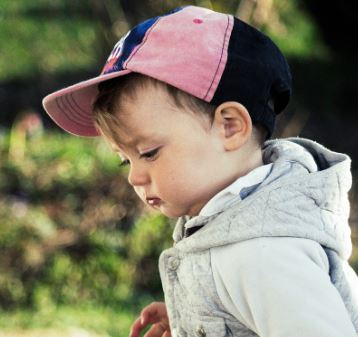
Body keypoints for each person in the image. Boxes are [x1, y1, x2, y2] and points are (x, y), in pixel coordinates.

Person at [42, 5, 358, 337]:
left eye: (148, 152)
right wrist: (204, 320)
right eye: (126, 159)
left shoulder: (263, 254)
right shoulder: (240, 234)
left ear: (230, 127)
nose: (134, 177)